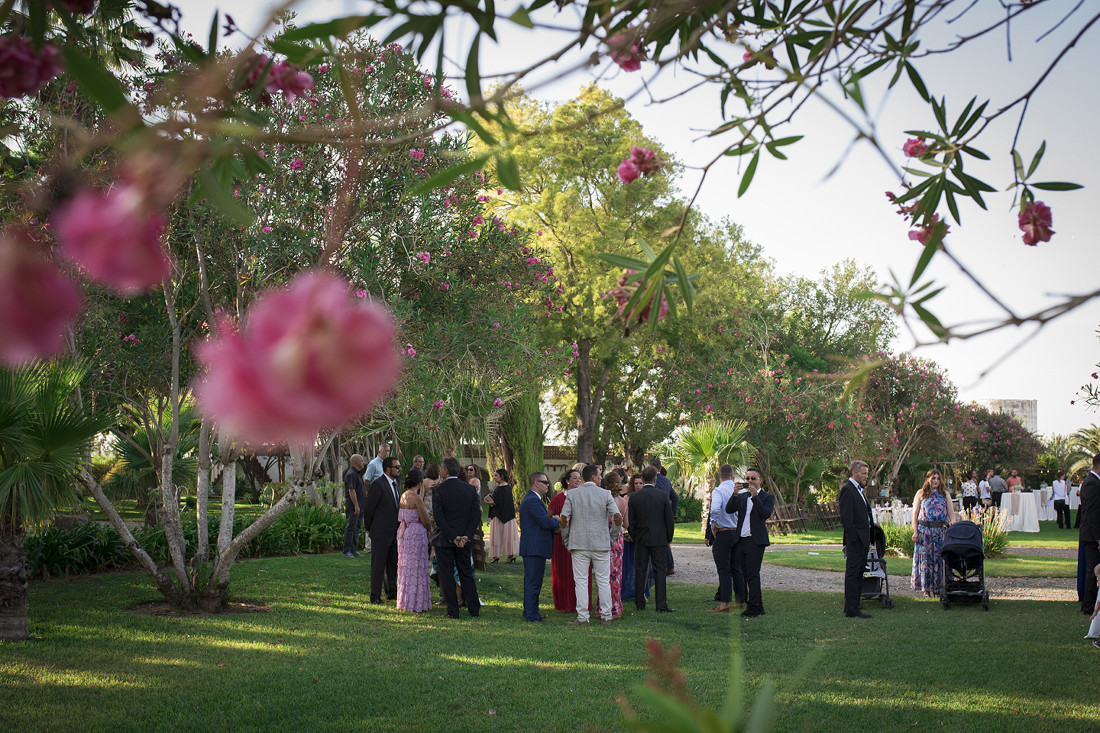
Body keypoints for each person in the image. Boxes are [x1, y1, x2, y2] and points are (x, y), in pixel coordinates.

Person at [560, 464, 622, 626]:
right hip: (601, 543)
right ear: (593, 477)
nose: (601, 478)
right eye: (599, 475)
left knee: (580, 581)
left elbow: (563, 520)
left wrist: (566, 540)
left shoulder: (572, 494)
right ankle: (606, 616)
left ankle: (583, 617)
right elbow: (617, 518)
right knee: (603, 580)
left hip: (579, 543)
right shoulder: (605, 494)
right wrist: (611, 538)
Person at [432, 457, 482, 619]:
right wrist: (466, 535)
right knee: (466, 572)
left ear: (445, 470)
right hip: (463, 539)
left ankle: (453, 611)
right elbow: (475, 515)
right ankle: (474, 609)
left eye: (441, 467)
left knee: (446, 574)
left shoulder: (438, 489)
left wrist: (453, 536)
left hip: (445, 539)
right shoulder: (469, 489)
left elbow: (439, 518)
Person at [728, 467, 775, 617]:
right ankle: (758, 605)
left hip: (755, 541)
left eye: (753, 479)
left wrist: (755, 497)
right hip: (741, 540)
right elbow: (729, 509)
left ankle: (753, 607)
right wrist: (735, 494)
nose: (749, 481)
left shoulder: (767, 497)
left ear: (760, 480)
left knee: (753, 574)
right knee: (745, 575)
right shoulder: (742, 497)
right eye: (747, 478)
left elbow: (765, 514)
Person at [628, 466, 675, 613]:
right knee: (660, 570)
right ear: (655, 479)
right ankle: (661, 605)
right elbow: (669, 520)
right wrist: (668, 538)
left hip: (641, 539)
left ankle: (639, 602)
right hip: (659, 539)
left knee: (640, 570)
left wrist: (635, 536)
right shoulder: (662, 496)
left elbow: (632, 521)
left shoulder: (635, 497)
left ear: (642, 479)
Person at [519, 472, 559, 622]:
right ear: (536, 483)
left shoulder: (533, 499)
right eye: (544, 482)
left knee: (533, 581)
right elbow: (544, 522)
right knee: (533, 582)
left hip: (534, 547)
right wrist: (556, 520)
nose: (548, 485)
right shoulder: (532, 501)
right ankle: (531, 614)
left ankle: (529, 610)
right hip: (534, 548)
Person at [911, 468, 956, 597]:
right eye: (933, 478)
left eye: (938, 478)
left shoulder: (945, 494)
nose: (935, 480)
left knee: (940, 559)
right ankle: (926, 588)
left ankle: (939, 587)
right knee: (925, 560)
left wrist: (952, 523)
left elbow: (951, 513)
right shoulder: (921, 493)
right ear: (928, 479)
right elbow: (915, 515)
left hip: (940, 532)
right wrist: (915, 532)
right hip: (924, 531)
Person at [363, 456, 402, 603]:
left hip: (393, 532)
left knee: (392, 564)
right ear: (387, 468)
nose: (399, 470)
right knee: (378, 566)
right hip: (380, 532)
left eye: (399, 467)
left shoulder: (395, 484)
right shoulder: (378, 484)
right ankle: (375, 596)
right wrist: (369, 527)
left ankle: (391, 591)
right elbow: (369, 507)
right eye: (396, 467)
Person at [708, 464, 744, 613]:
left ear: (718, 475)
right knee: (736, 568)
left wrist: (713, 524)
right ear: (733, 476)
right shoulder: (741, 491)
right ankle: (740, 600)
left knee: (724, 570)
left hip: (724, 531)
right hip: (738, 532)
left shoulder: (718, 491)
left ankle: (724, 603)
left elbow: (715, 508)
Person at [840, 460, 873, 619]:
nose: (866, 476)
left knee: (859, 573)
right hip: (856, 540)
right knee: (853, 574)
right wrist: (854, 539)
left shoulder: (858, 490)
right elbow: (847, 518)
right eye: (864, 473)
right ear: (854, 473)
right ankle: (851, 609)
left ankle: (854, 606)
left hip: (863, 539)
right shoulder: (848, 490)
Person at [396, 469, 432, 613]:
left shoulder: (403, 495)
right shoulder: (416, 498)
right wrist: (430, 530)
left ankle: (405, 599)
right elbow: (425, 519)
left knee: (406, 566)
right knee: (417, 566)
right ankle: (416, 601)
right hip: (416, 532)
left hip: (404, 532)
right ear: (419, 482)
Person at [550, 468, 582, 612]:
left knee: (579, 572)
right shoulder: (558, 499)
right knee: (563, 570)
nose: (577, 480)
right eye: (574, 478)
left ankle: (579, 603)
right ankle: (563, 603)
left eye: (579, 477)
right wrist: (555, 521)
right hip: (562, 539)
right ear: (567, 481)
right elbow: (548, 516)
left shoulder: (583, 497)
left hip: (580, 538)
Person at [595, 470, 625, 620]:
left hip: (605, 539)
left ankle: (604, 607)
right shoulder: (623, 501)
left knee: (604, 575)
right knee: (617, 575)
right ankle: (616, 607)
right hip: (618, 540)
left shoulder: (604, 500)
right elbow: (625, 524)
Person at [621, 473, 652, 603]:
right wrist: (626, 533)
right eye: (636, 483)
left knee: (644, 566)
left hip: (643, 536)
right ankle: (627, 590)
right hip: (628, 537)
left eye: (641, 483)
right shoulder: (627, 498)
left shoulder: (648, 497)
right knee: (628, 566)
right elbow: (623, 519)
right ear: (632, 485)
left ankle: (642, 591)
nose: (639, 486)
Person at [649, 458, 679, 575]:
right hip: (665, 514)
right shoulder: (666, 481)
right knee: (665, 541)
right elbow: (675, 498)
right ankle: (670, 566)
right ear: (661, 468)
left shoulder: (650, 480)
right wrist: (671, 514)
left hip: (652, 513)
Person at [1080, 454, 1100, 616]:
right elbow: (1092, 513)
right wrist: (1098, 537)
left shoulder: (1093, 482)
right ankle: (1088, 606)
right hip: (1092, 535)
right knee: (1094, 571)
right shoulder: (1092, 483)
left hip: (1092, 533)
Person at [485, 468, 518, 563]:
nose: (494, 478)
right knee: (508, 536)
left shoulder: (499, 489)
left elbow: (496, 502)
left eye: (496, 475)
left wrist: (486, 501)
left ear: (502, 476)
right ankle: (511, 555)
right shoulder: (508, 488)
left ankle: (496, 556)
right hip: (509, 516)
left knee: (497, 536)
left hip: (499, 516)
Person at [342, 454, 368, 558]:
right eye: (361, 461)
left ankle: (353, 549)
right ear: (355, 462)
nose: (363, 463)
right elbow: (351, 491)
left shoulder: (358, 474)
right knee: (350, 527)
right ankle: (346, 550)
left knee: (357, 527)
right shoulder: (351, 474)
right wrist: (356, 505)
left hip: (360, 506)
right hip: (354, 506)